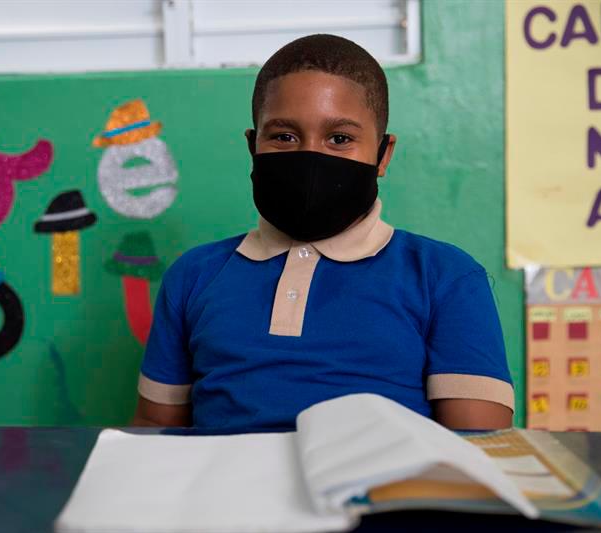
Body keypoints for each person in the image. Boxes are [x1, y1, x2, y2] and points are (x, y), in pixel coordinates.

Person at [132, 34, 513, 430]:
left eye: (340, 139)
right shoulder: (194, 275)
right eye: (283, 137)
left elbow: (480, 449)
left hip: (379, 491)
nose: (310, 157)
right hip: (228, 490)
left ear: (383, 154)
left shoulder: (444, 276)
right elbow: (153, 437)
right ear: (253, 146)